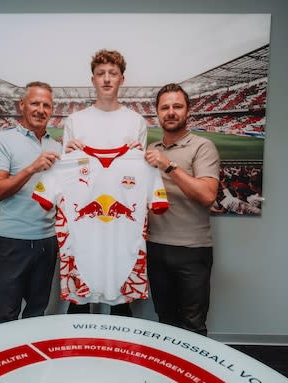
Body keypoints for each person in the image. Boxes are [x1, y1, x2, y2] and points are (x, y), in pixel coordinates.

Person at [45, 49, 152, 318]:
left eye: (112, 74)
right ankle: (76, 356)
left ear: (122, 79)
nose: (106, 79)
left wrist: (138, 156)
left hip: (121, 226)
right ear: (92, 79)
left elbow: (139, 176)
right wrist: (66, 154)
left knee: (121, 300)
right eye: (101, 74)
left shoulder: (135, 121)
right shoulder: (75, 120)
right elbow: (66, 170)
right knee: (79, 300)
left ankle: (121, 354)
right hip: (83, 224)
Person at [144, 83, 220, 336]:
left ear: (188, 111)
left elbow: (207, 195)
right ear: (157, 113)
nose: (171, 112)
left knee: (193, 324)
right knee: (165, 320)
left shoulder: (203, 146)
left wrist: (168, 166)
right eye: (165, 107)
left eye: (177, 106)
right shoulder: (151, 150)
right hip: (155, 247)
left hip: (192, 249)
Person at [0, 81, 61, 323]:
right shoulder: (3, 139)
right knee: (7, 315)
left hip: (47, 242)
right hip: (12, 242)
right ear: (22, 105)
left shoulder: (57, 146)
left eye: (46, 105)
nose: (41, 110)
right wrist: (31, 168)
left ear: (52, 110)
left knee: (37, 313)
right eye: (35, 103)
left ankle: (33, 361)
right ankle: (8, 360)